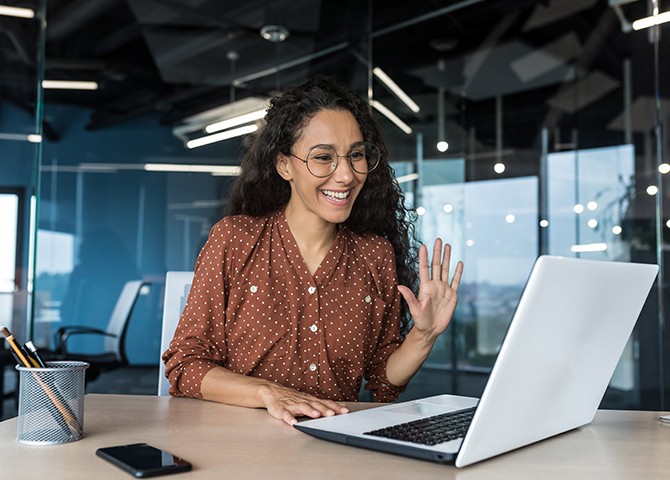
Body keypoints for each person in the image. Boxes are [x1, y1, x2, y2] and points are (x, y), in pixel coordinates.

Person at [163, 75, 463, 426]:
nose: (347, 175)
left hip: (332, 447)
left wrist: (423, 336)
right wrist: (265, 393)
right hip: (237, 446)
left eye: (356, 156)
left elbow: (383, 379)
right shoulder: (234, 239)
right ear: (284, 164)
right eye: (324, 157)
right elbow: (185, 364)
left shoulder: (374, 254)